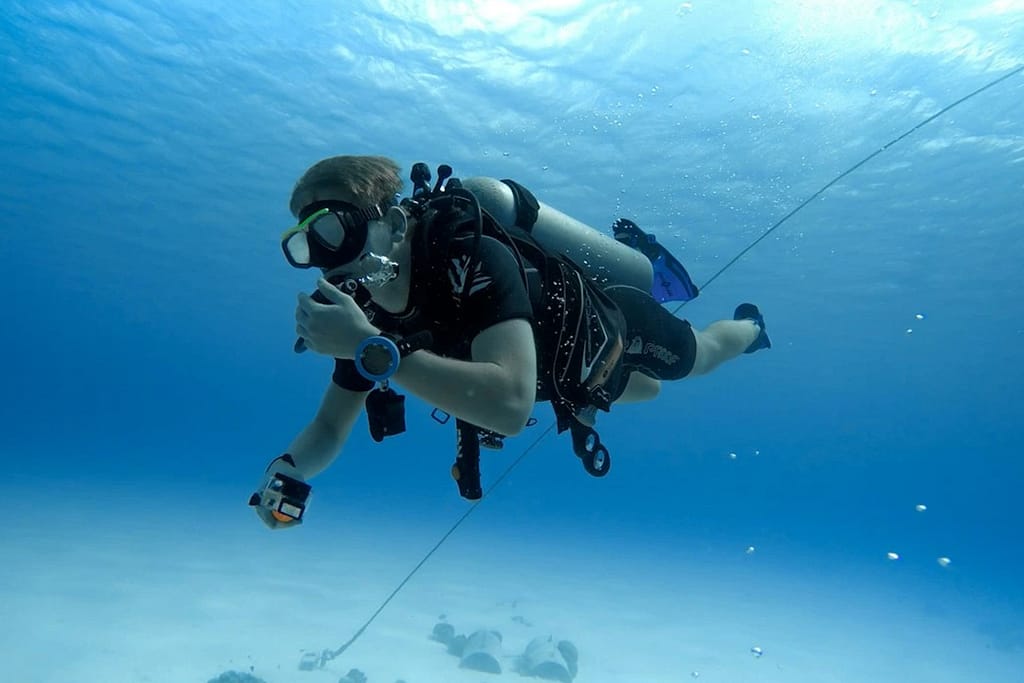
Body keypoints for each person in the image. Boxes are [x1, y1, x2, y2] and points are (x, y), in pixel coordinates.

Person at [250, 155, 770, 529]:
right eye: (304, 245)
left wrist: (370, 348)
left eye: (333, 231)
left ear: (388, 218)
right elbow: (328, 425)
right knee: (642, 393)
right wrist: (285, 473)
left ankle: (750, 329)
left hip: (611, 326)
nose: (325, 258)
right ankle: (637, 278)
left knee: (698, 358)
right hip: (565, 375)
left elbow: (509, 408)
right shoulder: (361, 311)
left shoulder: (468, 250)